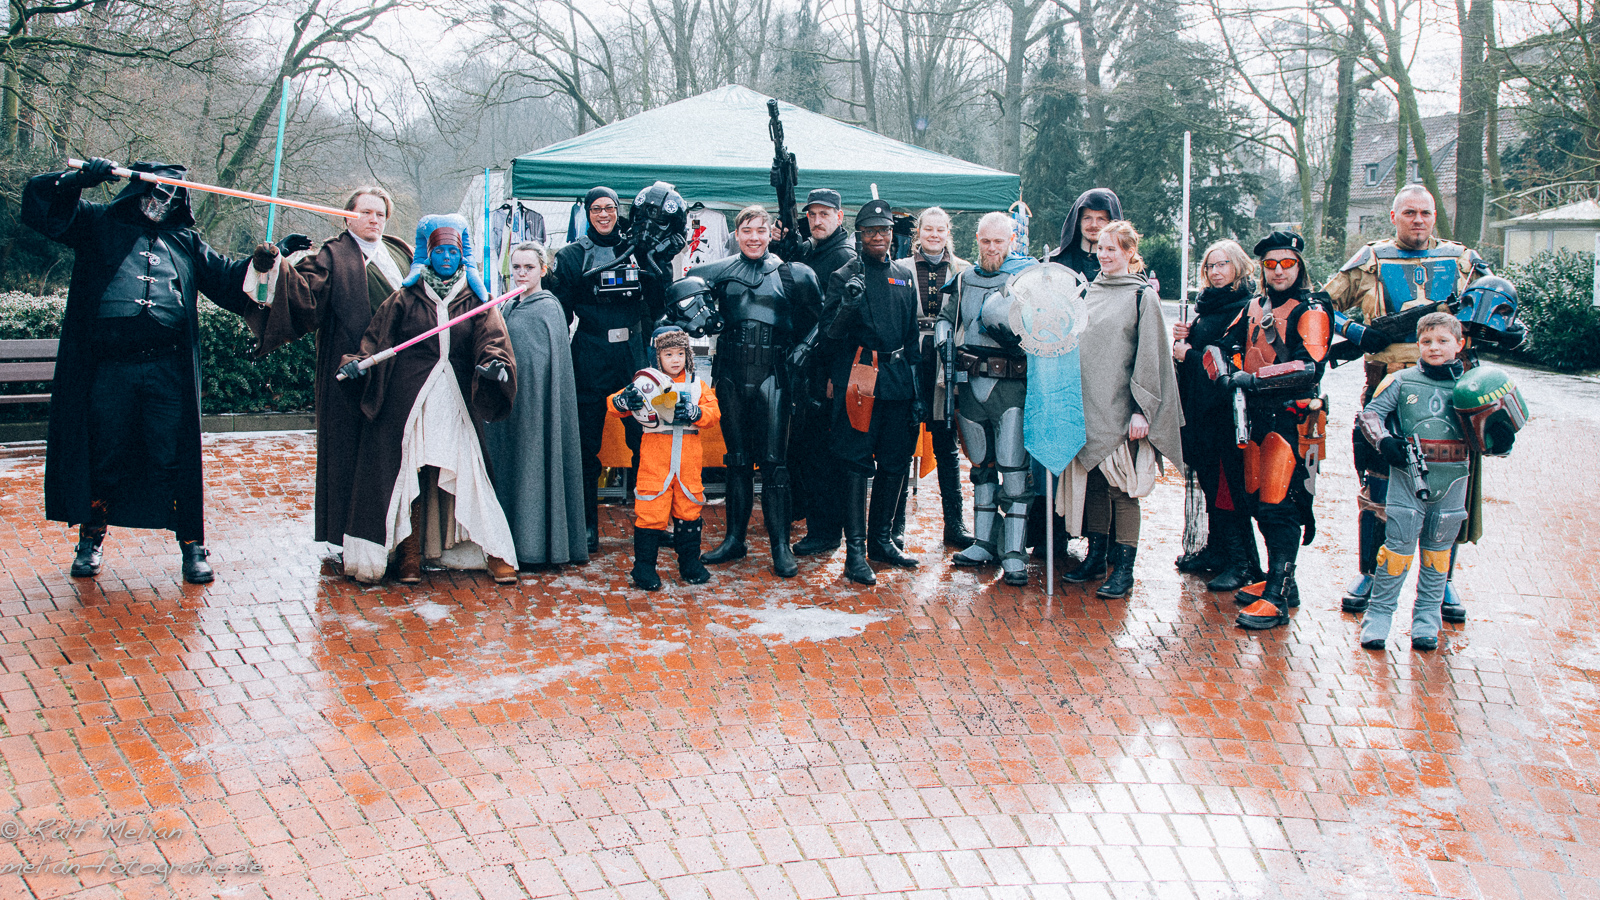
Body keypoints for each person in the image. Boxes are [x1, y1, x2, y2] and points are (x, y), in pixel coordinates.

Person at [21, 157, 302, 584]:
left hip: (167, 369)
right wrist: (79, 179)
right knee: (103, 451)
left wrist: (269, 257)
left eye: (170, 195)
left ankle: (193, 546)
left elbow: (229, 281)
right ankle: (91, 541)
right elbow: (43, 207)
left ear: (180, 201)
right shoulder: (99, 224)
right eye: (154, 192)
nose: (160, 202)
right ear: (137, 190)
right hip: (110, 368)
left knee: (174, 455)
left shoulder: (186, 241)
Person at [1323, 185, 1489, 622]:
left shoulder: (1463, 261)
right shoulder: (1370, 260)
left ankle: (1442, 579)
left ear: (1435, 216)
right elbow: (1320, 304)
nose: (1418, 220)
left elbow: (1496, 304)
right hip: (1387, 384)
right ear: (1394, 216)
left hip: (1452, 390)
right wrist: (1356, 333)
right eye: (1410, 213)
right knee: (1379, 477)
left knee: (1450, 482)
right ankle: (1370, 572)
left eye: (1426, 213)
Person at [336, 215, 518, 585]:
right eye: (440, 251)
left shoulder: (477, 300)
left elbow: (493, 341)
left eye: (453, 252)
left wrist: (494, 365)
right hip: (410, 401)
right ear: (428, 255)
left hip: (456, 400)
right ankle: (409, 555)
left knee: (471, 470)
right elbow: (376, 341)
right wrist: (356, 363)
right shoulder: (405, 298)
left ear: (462, 256)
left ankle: (494, 551)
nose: (446, 258)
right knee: (408, 472)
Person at [245, 186, 411, 557]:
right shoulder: (331, 257)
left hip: (398, 369)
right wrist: (276, 263)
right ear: (347, 216)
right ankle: (347, 536)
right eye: (365, 212)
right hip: (349, 368)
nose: (373, 220)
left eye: (380, 214)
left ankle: (400, 538)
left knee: (394, 451)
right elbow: (302, 296)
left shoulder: (400, 252)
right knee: (348, 450)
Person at [685, 206, 823, 577]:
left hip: (773, 375)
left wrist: (803, 350)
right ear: (736, 233)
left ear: (770, 233)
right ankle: (735, 539)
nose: (754, 237)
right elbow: (681, 297)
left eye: (761, 230)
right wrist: (697, 318)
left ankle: (780, 544)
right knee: (737, 460)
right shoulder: (718, 272)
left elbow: (822, 319)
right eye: (747, 230)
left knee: (774, 463)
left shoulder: (793, 274)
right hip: (730, 374)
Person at [1205, 232, 1330, 630]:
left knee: (1281, 507)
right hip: (1254, 418)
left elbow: (1309, 366)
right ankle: (1280, 581)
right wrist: (1225, 373)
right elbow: (1220, 345)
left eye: (1286, 263)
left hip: (1291, 419)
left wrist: (1253, 379)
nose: (1278, 271)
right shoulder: (1255, 306)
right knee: (1258, 503)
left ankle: (1277, 594)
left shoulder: (1311, 308)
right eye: (1271, 264)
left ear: (1299, 266)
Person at [1058, 221, 1184, 598]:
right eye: (1100, 247)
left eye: (1113, 248)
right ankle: (1096, 559)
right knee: (1096, 484)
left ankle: (1124, 570)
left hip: (1122, 410)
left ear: (1130, 252)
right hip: (1088, 406)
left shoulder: (1142, 296)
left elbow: (1150, 356)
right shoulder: (1088, 291)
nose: (1104, 254)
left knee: (1122, 489)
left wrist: (1141, 410)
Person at [546, 186, 670, 555]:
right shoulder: (572, 256)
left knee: (646, 438)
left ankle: (652, 521)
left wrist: (659, 263)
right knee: (587, 443)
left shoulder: (637, 250)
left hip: (632, 354)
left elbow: (658, 303)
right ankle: (586, 524)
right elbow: (559, 312)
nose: (604, 214)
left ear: (618, 210)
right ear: (587, 213)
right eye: (597, 208)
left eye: (610, 208)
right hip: (590, 352)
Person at [1353, 314, 1480, 649]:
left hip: (1453, 477)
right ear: (1417, 344)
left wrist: (1500, 435)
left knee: (1438, 554)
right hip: (1408, 477)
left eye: (1442, 341)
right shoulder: (1400, 380)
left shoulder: (1471, 385)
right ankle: (1379, 616)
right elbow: (1370, 414)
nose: (1434, 348)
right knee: (1396, 549)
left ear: (1459, 344)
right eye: (1426, 341)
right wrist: (1384, 442)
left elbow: (1495, 426)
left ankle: (1427, 621)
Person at [820, 198, 922, 585]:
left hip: (898, 378)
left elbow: (911, 337)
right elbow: (830, 335)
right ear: (860, 235)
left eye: (884, 230)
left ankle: (882, 541)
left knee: (895, 463)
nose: (878, 237)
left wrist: (917, 392)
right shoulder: (844, 275)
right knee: (856, 465)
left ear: (893, 234)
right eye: (870, 231)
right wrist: (848, 304)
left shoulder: (904, 275)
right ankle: (855, 553)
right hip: (861, 376)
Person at [937, 212, 1035, 585]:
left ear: (1011, 241)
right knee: (981, 467)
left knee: (1014, 471)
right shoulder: (963, 280)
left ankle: (1014, 554)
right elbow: (946, 317)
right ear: (976, 240)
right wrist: (944, 341)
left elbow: (1040, 328)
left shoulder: (1024, 279)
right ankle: (983, 542)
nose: (992, 248)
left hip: (1010, 387)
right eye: (986, 241)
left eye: (999, 241)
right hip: (971, 384)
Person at [482, 242, 589, 568]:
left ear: (543, 270)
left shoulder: (548, 308)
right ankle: (510, 542)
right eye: (516, 267)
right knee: (512, 466)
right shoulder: (509, 305)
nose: (521, 274)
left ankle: (537, 546)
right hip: (513, 405)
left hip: (537, 410)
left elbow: (546, 368)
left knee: (535, 465)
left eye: (529, 267)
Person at [1171, 240, 1263, 592]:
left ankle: (1240, 562)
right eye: (1210, 266)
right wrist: (1187, 336)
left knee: (1228, 488)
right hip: (1201, 413)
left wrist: (1189, 354)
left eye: (1222, 264)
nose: (1215, 271)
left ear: (1238, 265)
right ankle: (1216, 549)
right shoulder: (1209, 305)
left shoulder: (1246, 308)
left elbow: (1229, 362)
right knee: (1210, 483)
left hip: (1226, 414)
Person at [608, 327, 722, 590]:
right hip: (655, 459)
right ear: (656, 355)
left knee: (689, 511)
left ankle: (690, 564)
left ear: (687, 354)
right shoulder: (645, 382)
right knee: (650, 510)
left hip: (687, 461)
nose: (675, 360)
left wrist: (695, 413)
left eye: (680, 353)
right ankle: (644, 567)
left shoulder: (696, 384)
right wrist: (624, 401)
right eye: (668, 354)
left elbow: (713, 412)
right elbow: (613, 403)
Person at [785, 188, 858, 558]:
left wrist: (832, 375)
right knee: (807, 447)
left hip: (826, 368)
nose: (817, 220)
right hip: (806, 366)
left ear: (839, 217)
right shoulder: (814, 251)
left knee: (822, 453)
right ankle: (813, 519)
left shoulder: (843, 257)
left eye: (824, 214)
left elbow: (840, 323)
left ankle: (826, 531)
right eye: (812, 214)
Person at [896, 206, 973, 551]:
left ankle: (954, 524)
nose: (934, 235)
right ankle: (893, 525)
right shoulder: (901, 268)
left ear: (948, 233)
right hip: (910, 359)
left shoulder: (963, 271)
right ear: (919, 232)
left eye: (941, 230)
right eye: (929, 229)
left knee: (946, 445)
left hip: (946, 361)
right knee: (901, 444)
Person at [1045, 188, 1122, 282]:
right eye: (1087, 218)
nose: (1094, 225)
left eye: (1101, 219)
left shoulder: (1127, 266)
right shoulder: (1054, 263)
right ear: (1078, 221)